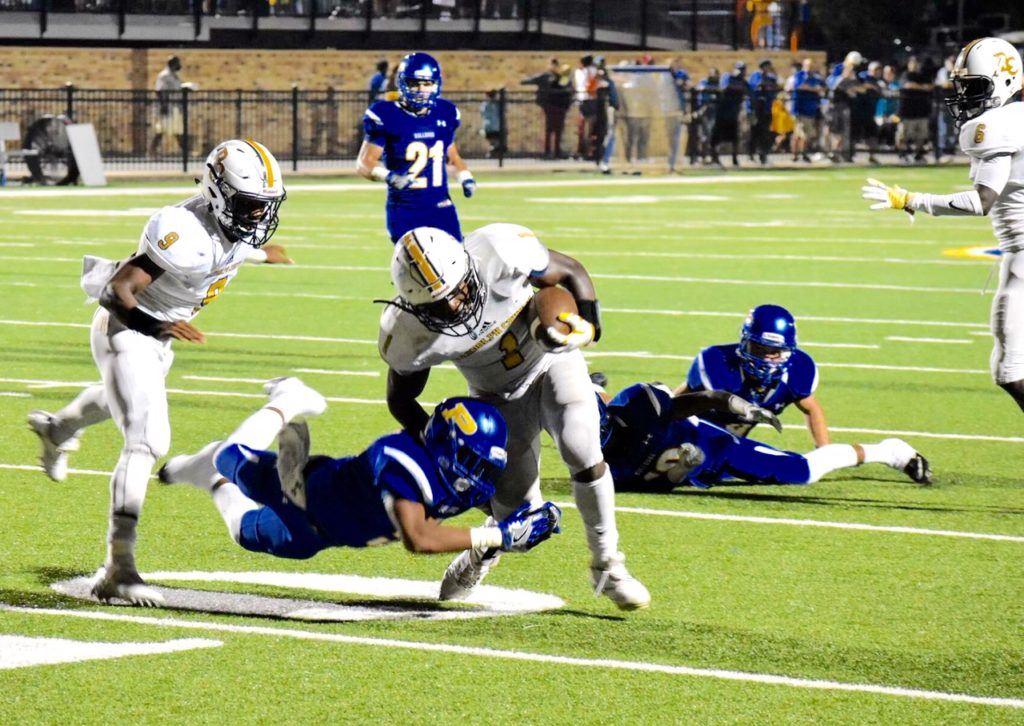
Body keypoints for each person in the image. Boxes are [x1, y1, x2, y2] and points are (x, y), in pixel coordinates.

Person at [27, 139, 292, 607]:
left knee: (121, 402)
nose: (258, 218)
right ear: (219, 195)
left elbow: (230, 248)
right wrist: (157, 325)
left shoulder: (229, 227)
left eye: (263, 207)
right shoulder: (183, 230)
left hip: (156, 336)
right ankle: (117, 566)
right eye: (250, 206)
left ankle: (57, 428)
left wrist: (266, 255)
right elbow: (116, 291)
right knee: (148, 438)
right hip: (128, 327)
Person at [378, 225, 650, 611]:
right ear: (415, 305)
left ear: (468, 270)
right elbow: (401, 399)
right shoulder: (408, 333)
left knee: (580, 445)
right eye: (439, 304)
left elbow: (570, 271)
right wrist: (437, 442)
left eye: (458, 292)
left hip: (551, 362)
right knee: (520, 517)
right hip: (496, 400)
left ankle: (608, 564)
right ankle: (485, 549)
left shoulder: (499, 252)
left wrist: (587, 325)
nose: (454, 306)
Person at [159, 378, 561, 563]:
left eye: (483, 467)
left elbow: (472, 514)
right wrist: (499, 535)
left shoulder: (452, 478)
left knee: (242, 533)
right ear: (443, 443)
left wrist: (521, 520)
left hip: (320, 535)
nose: (475, 477)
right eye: (471, 462)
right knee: (230, 453)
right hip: (299, 488)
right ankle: (287, 398)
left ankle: (209, 480)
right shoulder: (403, 459)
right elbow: (419, 538)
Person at [862, 38, 1024, 413]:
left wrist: (910, 199)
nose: (964, 95)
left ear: (1003, 81)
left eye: (974, 86)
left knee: (1010, 369)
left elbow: (981, 201)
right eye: (962, 85)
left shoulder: (993, 126)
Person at [597, 381, 931, 491]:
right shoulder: (601, 465)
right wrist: (680, 470)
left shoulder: (641, 407)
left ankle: (890, 451)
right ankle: (593, 384)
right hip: (681, 466)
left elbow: (703, 399)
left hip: (714, 446)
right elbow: (654, 483)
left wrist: (745, 408)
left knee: (801, 472)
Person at [356, 52, 475, 243]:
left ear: (436, 84)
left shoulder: (445, 112)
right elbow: (364, 163)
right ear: (403, 84)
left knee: (458, 267)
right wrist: (389, 177)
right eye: (414, 83)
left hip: (442, 208)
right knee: (423, 269)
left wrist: (465, 177)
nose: (421, 89)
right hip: (406, 211)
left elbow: (452, 157)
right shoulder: (386, 114)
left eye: (427, 84)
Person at [673, 304, 829, 446]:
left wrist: (823, 449)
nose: (766, 359)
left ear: (788, 352)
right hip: (690, 438)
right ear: (744, 342)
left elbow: (811, 408)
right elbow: (677, 400)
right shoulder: (718, 363)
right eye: (759, 349)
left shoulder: (797, 372)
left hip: (729, 447)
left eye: (774, 352)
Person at [521, 58, 572, 159]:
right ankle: (549, 151)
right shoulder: (546, 77)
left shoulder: (560, 78)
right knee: (551, 129)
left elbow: (568, 88)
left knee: (557, 129)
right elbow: (527, 81)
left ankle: (555, 151)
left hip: (558, 106)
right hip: (551, 105)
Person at [150, 56, 194, 157]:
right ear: (172, 64)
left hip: (175, 107)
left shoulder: (175, 76)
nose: (179, 65)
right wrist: (163, 105)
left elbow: (177, 88)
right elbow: (159, 91)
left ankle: (185, 153)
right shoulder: (164, 76)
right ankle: (152, 152)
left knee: (178, 130)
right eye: (177, 63)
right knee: (161, 130)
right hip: (168, 107)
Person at [897, 57, 934, 162]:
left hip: (921, 110)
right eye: (912, 63)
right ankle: (903, 154)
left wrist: (918, 87)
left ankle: (918, 154)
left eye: (917, 63)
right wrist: (922, 87)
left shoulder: (924, 76)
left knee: (921, 135)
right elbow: (908, 85)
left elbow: (930, 87)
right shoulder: (905, 75)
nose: (915, 65)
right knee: (904, 135)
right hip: (906, 110)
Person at [790, 58, 825, 162]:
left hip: (811, 109)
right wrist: (814, 89)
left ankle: (803, 153)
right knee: (799, 133)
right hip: (800, 109)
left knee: (807, 134)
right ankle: (795, 154)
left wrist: (818, 88)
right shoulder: (799, 75)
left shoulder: (816, 78)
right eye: (808, 66)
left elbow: (823, 87)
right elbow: (800, 86)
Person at [748, 59, 779, 165]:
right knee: (755, 131)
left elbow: (775, 88)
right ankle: (751, 153)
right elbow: (755, 87)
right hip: (757, 108)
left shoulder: (772, 78)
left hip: (767, 108)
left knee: (765, 132)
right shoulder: (756, 75)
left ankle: (763, 154)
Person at [480, 88, 505, 158]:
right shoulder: (495, 104)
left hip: (489, 125)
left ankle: (493, 152)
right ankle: (493, 151)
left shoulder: (485, 104)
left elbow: (482, 113)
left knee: (493, 141)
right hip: (494, 125)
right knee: (495, 141)